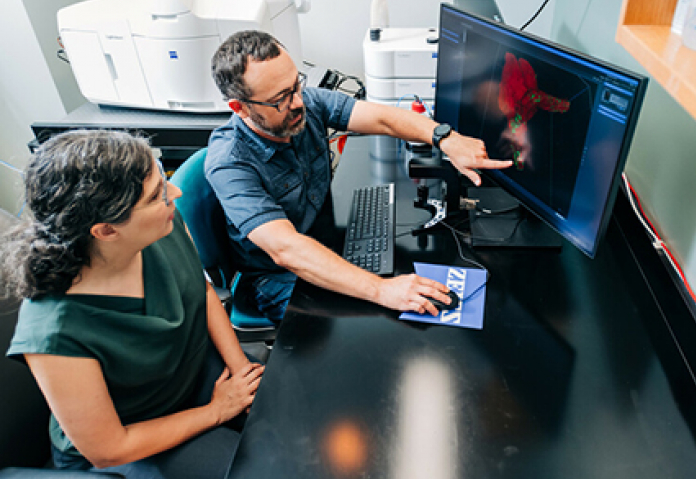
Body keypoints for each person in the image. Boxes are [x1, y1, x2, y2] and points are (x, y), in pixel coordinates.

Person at [1, 130, 264, 479]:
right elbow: (110, 448)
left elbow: (202, 290)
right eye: (156, 194)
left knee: (292, 420)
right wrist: (218, 411)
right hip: (137, 443)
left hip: (192, 378)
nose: (175, 193)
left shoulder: (160, 226)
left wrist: (240, 367)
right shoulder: (54, 331)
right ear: (106, 230)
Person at [207, 30, 512, 323]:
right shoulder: (230, 163)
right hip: (278, 277)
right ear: (240, 108)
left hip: (322, 238)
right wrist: (382, 290)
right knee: (380, 319)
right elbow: (287, 250)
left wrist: (445, 138)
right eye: (280, 99)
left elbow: (383, 118)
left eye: (296, 85)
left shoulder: (306, 102)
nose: (298, 102)